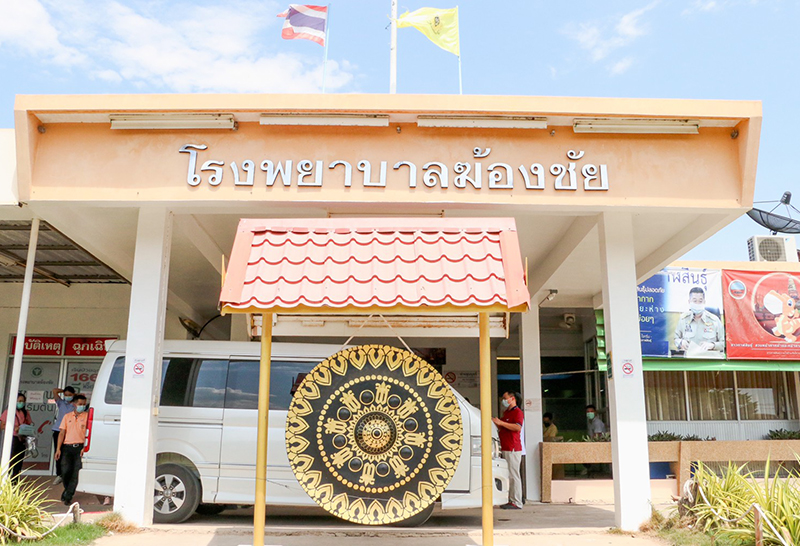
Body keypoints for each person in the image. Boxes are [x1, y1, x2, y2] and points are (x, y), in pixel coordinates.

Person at [492, 391, 524, 510]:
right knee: (509, 475)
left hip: (512, 448)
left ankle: (517, 502)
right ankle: (511, 500)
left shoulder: (518, 412)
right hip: (505, 447)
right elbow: (503, 427)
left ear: (512, 398)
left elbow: (517, 427)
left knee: (514, 475)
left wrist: (501, 422)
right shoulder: (507, 412)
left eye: (505, 398)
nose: (503, 400)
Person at [55, 394, 88, 505]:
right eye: (80, 404)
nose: (82, 406)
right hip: (67, 447)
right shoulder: (67, 416)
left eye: (84, 404)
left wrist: (85, 447)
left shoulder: (87, 416)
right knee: (65, 471)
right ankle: (67, 490)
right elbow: (62, 433)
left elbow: (89, 434)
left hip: (80, 448)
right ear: (74, 404)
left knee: (75, 473)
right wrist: (58, 449)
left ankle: (68, 496)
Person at [673, 286, 725, 355]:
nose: (697, 304)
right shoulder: (683, 319)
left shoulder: (714, 320)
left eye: (700, 301)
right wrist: (680, 342)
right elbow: (676, 339)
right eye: (694, 301)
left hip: (709, 358)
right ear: (689, 302)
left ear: (704, 302)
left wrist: (713, 345)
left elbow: (724, 343)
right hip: (689, 358)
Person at [0, 393, 33, 484]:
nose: (21, 403)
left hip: (22, 438)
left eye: (22, 401)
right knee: (11, 460)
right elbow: (2, 426)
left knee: (19, 461)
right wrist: (14, 428)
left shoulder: (25, 412)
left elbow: (29, 424)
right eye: (19, 401)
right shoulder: (8, 412)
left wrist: (25, 429)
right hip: (12, 438)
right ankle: (6, 480)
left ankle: (15, 481)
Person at [51, 386, 76, 485]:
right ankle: (59, 474)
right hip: (58, 430)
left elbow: (82, 397)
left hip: (69, 431)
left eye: (70, 395)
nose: (67, 397)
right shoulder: (61, 403)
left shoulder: (75, 405)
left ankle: (68, 474)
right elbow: (54, 391)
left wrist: (74, 395)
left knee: (68, 453)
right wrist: (64, 391)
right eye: (66, 395)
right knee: (58, 452)